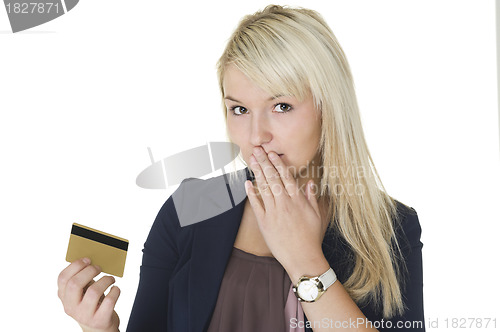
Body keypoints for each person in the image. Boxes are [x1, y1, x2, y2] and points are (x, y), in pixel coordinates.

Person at [57, 4, 425, 332]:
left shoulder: (390, 227)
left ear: (328, 108)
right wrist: (99, 329)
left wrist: (304, 259)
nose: (256, 135)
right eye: (239, 109)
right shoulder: (190, 206)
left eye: (281, 106)